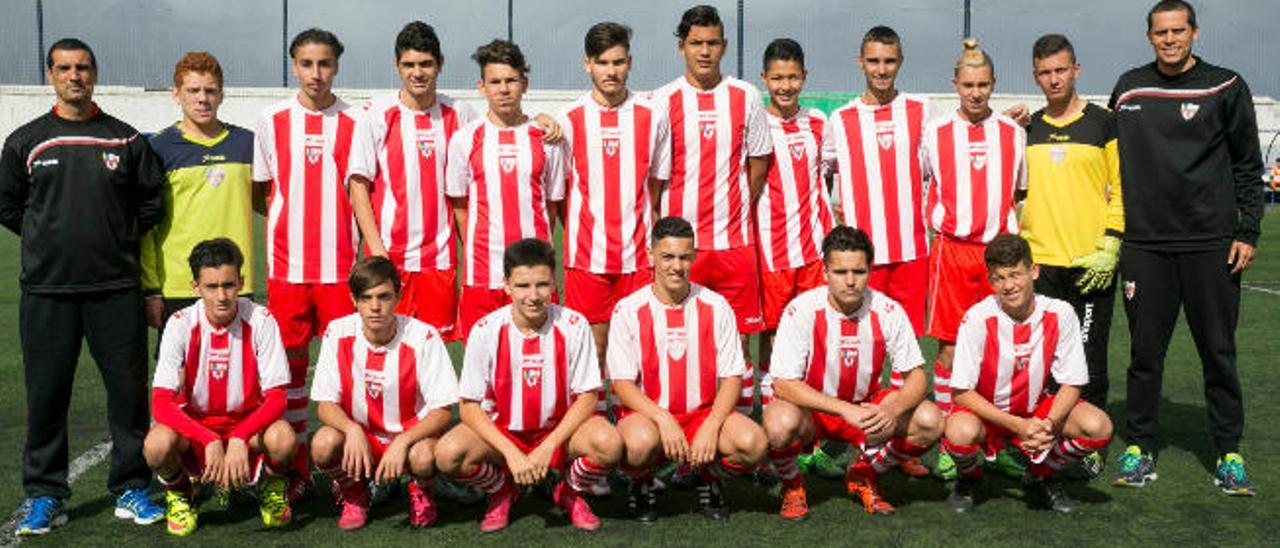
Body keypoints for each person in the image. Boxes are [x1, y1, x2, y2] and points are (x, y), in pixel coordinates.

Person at [0, 37, 165, 535]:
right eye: (64, 68)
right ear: (49, 75)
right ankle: (45, 494)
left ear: (95, 73)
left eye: (83, 68)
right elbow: (8, 206)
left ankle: (132, 486)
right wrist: (46, 241)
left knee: (127, 397)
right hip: (47, 294)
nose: (75, 76)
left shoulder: (126, 140)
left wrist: (114, 238)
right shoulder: (26, 141)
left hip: (116, 291)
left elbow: (152, 203)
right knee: (46, 396)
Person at [1108, 0, 1263, 495]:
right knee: (1144, 355)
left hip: (1211, 245)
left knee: (1218, 353)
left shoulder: (1226, 85)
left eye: (1178, 30)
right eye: (1161, 32)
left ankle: (1229, 453)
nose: (1170, 39)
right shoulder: (1130, 87)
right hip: (1145, 246)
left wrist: (1248, 231)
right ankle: (1139, 448)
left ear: (1195, 32)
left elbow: (1246, 164)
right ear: (1149, 36)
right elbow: (1098, 146)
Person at [435, 239, 622, 533]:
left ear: (553, 282)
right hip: (504, 432)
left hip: (559, 432)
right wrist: (511, 453)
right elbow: (469, 407)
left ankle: (569, 491)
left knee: (609, 445)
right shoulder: (485, 330)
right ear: (506, 285)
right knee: (448, 454)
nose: (533, 296)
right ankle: (501, 490)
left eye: (542, 285)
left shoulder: (574, 325)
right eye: (523, 286)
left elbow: (588, 398)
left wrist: (548, 447)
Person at [763, 226, 941, 521]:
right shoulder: (802, 310)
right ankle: (792, 486)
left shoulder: (887, 310)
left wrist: (892, 409)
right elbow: (782, 384)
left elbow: (918, 376)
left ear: (870, 270)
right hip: (813, 411)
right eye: (840, 272)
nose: (849, 281)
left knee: (930, 421)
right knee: (779, 423)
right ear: (824, 272)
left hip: (866, 408)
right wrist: (842, 409)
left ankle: (863, 474)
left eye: (858, 272)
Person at [820, 24, 932, 479]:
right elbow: (823, 172)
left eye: (889, 61)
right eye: (873, 61)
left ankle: (898, 447)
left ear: (900, 62)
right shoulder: (841, 120)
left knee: (905, 356)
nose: (881, 69)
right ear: (860, 63)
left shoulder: (923, 112)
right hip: (860, 261)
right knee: (853, 352)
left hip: (910, 251)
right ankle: (829, 438)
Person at [252, 28, 360, 494]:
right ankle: (294, 468)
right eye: (307, 64)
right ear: (294, 65)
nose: (316, 73)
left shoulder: (358, 122)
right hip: (288, 269)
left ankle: (348, 472)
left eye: (325, 63)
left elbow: (362, 192)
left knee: (348, 372)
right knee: (289, 371)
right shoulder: (271, 120)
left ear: (336, 65)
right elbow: (262, 191)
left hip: (341, 270)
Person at [607, 216, 768, 522]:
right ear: (651, 255)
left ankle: (709, 476)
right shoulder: (628, 309)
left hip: (702, 413)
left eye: (684, 257)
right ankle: (641, 482)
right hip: (649, 418)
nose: (676, 266)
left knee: (754, 445)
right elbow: (622, 384)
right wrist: (661, 417)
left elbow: (732, 376)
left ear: (694, 256)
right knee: (636, 446)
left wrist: (712, 423)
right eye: (667, 256)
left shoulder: (716, 305)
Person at [942, 234, 1113, 513]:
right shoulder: (977, 317)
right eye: (998, 278)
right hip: (989, 414)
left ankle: (1042, 474)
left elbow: (1072, 382)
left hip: (1036, 411)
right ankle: (969, 478)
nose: (1008, 286)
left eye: (1015, 274)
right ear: (990, 280)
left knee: (1098, 426)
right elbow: (961, 392)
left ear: (1034, 271)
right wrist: (1017, 426)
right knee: (959, 431)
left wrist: (1047, 423)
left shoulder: (1061, 313)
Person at [651, 6, 771, 394]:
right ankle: (685, 419)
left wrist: (734, 208)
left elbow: (757, 162)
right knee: (682, 339)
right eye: (696, 43)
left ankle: (737, 436)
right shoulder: (662, 100)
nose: (705, 51)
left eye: (713, 43)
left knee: (737, 341)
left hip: (735, 244)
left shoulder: (746, 96)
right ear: (680, 47)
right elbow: (655, 176)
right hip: (683, 249)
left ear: (724, 46)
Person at [1019, 33, 1123, 479]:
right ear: (1035, 75)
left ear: (1076, 70)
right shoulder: (1028, 128)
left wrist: (1111, 241)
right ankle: (1042, 439)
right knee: (1040, 364)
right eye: (1045, 72)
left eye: (1061, 70)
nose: (1054, 79)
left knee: (1087, 356)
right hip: (1040, 265)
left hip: (1088, 264)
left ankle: (1089, 442)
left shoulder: (1105, 123)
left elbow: (1122, 186)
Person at [922, 38, 1026, 479]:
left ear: (994, 84)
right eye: (968, 84)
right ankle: (952, 442)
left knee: (998, 350)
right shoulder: (936, 132)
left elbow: (1018, 191)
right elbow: (925, 181)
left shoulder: (1014, 133)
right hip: (951, 250)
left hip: (998, 254)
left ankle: (993, 442)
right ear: (955, 84)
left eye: (983, 84)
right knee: (948, 352)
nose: (976, 92)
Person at [142, 239, 295, 536]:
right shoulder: (180, 323)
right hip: (197, 432)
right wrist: (208, 438)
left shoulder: (261, 320)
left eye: (228, 285)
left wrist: (238, 436)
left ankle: (270, 486)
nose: (222, 296)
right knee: (156, 446)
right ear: (195, 287)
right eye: (212, 287)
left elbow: (277, 399)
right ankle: (181, 492)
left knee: (284, 439)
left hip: (246, 429)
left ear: (241, 282)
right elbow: (160, 402)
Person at [347, 21, 478, 341]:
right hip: (390, 256)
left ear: (440, 63)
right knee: (386, 346)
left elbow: (502, 128)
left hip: (440, 260)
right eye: (409, 64)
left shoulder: (461, 114)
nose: (417, 73)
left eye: (425, 64)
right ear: (396, 65)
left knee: (434, 349)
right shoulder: (376, 113)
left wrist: (540, 119)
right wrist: (377, 251)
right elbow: (358, 187)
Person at [559, 20, 671, 387]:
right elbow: (560, 193)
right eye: (603, 62)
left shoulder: (652, 116)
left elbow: (655, 184)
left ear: (630, 62)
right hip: (586, 256)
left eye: (619, 62)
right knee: (593, 344)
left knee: (639, 343)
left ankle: (634, 421)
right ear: (586, 64)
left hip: (637, 255)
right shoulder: (569, 120)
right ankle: (593, 424)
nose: (612, 71)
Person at [309, 256, 459, 530]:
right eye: (366, 298)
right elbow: (325, 404)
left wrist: (403, 441)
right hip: (364, 440)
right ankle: (355, 494)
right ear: (353, 299)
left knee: (424, 456)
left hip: (412, 442)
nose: (375, 307)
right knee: (322, 444)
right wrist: (351, 429)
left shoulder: (422, 336)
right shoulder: (338, 332)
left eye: (383, 296)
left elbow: (443, 411)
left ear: (398, 296)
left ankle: (421, 490)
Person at [446, 40, 567, 340]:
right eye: (495, 82)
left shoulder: (545, 139)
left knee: (540, 353)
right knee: (483, 362)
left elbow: (550, 205)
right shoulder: (465, 139)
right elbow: (460, 206)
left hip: (535, 272)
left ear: (524, 84)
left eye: (511, 80)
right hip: (483, 272)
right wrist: (478, 250)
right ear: (481, 87)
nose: (503, 89)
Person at [143, 52, 256, 340]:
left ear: (222, 95)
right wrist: (151, 289)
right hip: (179, 285)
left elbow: (269, 204)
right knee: (180, 376)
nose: (202, 98)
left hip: (235, 283)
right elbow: (145, 228)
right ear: (176, 94)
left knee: (239, 376)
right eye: (193, 90)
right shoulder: (158, 149)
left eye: (210, 90)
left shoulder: (247, 144)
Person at [754, 38, 833, 412]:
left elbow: (832, 173)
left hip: (815, 249)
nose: (785, 86)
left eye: (793, 77)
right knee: (772, 335)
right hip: (772, 251)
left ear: (804, 77)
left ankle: (812, 414)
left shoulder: (819, 122)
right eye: (777, 78)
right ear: (764, 79)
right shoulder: (755, 124)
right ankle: (773, 410)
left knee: (815, 332)